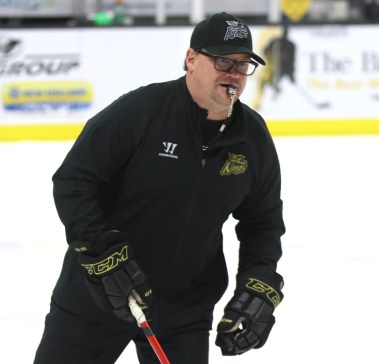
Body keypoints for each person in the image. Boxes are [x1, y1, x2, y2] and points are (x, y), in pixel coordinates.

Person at [34, 12, 285, 364]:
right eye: (223, 60)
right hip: (99, 296)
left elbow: (263, 221)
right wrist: (100, 253)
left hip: (183, 310)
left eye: (243, 65)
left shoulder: (252, 137)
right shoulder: (141, 112)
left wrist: (258, 281)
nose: (233, 73)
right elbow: (75, 180)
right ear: (191, 59)